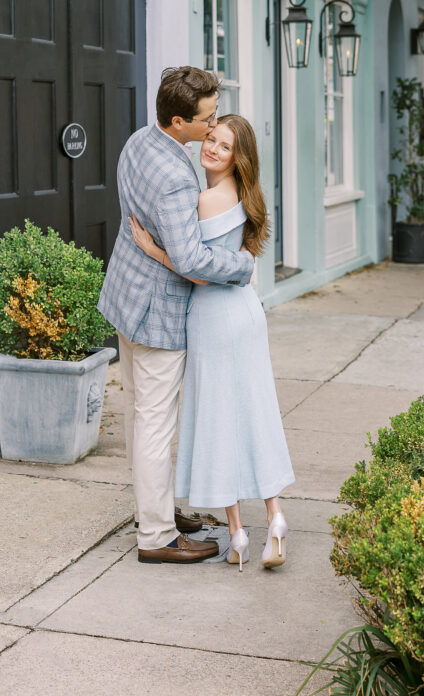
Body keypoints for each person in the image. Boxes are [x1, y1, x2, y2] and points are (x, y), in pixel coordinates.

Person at [98, 67, 254, 565]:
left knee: (141, 415)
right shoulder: (174, 177)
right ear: (180, 119)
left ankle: (155, 511)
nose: (213, 128)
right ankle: (158, 537)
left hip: (127, 297)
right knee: (154, 422)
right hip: (156, 312)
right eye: (207, 119)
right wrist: (243, 265)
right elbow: (191, 261)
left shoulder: (141, 140)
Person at [129, 114, 294, 570]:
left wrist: (150, 249)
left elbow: (195, 267)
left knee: (219, 419)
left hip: (214, 318)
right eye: (212, 139)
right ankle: (275, 517)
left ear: (238, 157)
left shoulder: (205, 200)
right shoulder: (248, 196)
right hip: (246, 314)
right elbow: (237, 260)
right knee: (255, 411)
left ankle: (238, 533)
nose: (213, 149)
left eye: (224, 146)